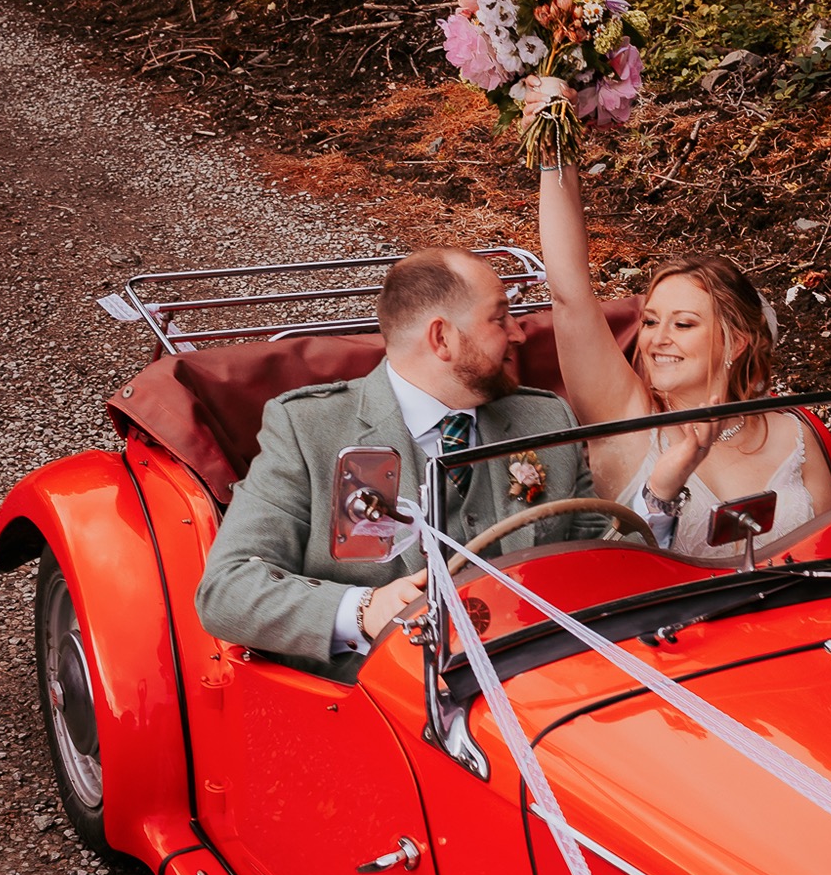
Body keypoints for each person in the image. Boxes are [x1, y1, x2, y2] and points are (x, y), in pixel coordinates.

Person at [196, 247, 596, 681]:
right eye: (499, 318)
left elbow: (599, 551)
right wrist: (366, 610)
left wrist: (660, 502)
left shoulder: (544, 417)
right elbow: (226, 591)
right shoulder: (307, 428)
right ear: (441, 338)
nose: (518, 333)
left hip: (549, 676)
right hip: (384, 707)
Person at [521, 75, 831, 555]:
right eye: (650, 321)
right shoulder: (625, 420)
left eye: (683, 324)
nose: (655, 339)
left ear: (736, 342)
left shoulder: (796, 434)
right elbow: (570, 296)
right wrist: (554, 150)